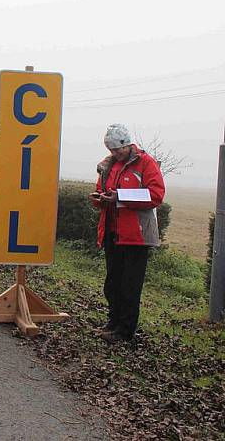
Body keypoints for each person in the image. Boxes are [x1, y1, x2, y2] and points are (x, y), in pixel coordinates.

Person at [89, 123, 165, 343]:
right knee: (112, 283)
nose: (115, 154)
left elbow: (156, 195)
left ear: (127, 144)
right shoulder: (108, 166)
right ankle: (112, 323)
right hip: (112, 232)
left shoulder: (146, 163)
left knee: (129, 285)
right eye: (111, 150)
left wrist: (120, 196)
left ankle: (125, 331)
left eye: (117, 149)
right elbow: (103, 190)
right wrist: (100, 198)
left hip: (136, 236)